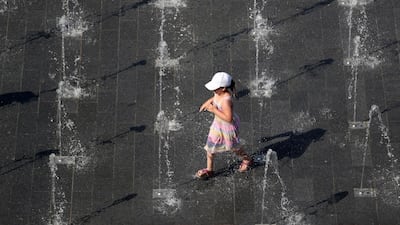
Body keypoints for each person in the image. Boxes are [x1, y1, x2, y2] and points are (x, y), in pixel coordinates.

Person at [196, 72, 252, 179]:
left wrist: (213, 109)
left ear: (223, 88)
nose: (213, 90)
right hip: (217, 125)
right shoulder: (218, 93)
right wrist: (206, 103)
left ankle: (247, 159)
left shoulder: (226, 100)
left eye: (215, 88)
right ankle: (209, 169)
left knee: (234, 148)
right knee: (210, 147)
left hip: (228, 128)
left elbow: (229, 118)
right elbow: (214, 98)